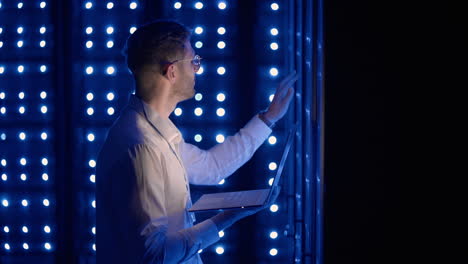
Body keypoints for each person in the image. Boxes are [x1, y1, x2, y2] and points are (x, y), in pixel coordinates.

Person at [96, 19, 298, 264]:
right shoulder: (142, 145)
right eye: (194, 61)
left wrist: (268, 118)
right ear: (172, 71)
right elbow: (155, 255)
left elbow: (211, 167)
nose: (197, 69)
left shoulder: (154, 133)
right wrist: (225, 219)